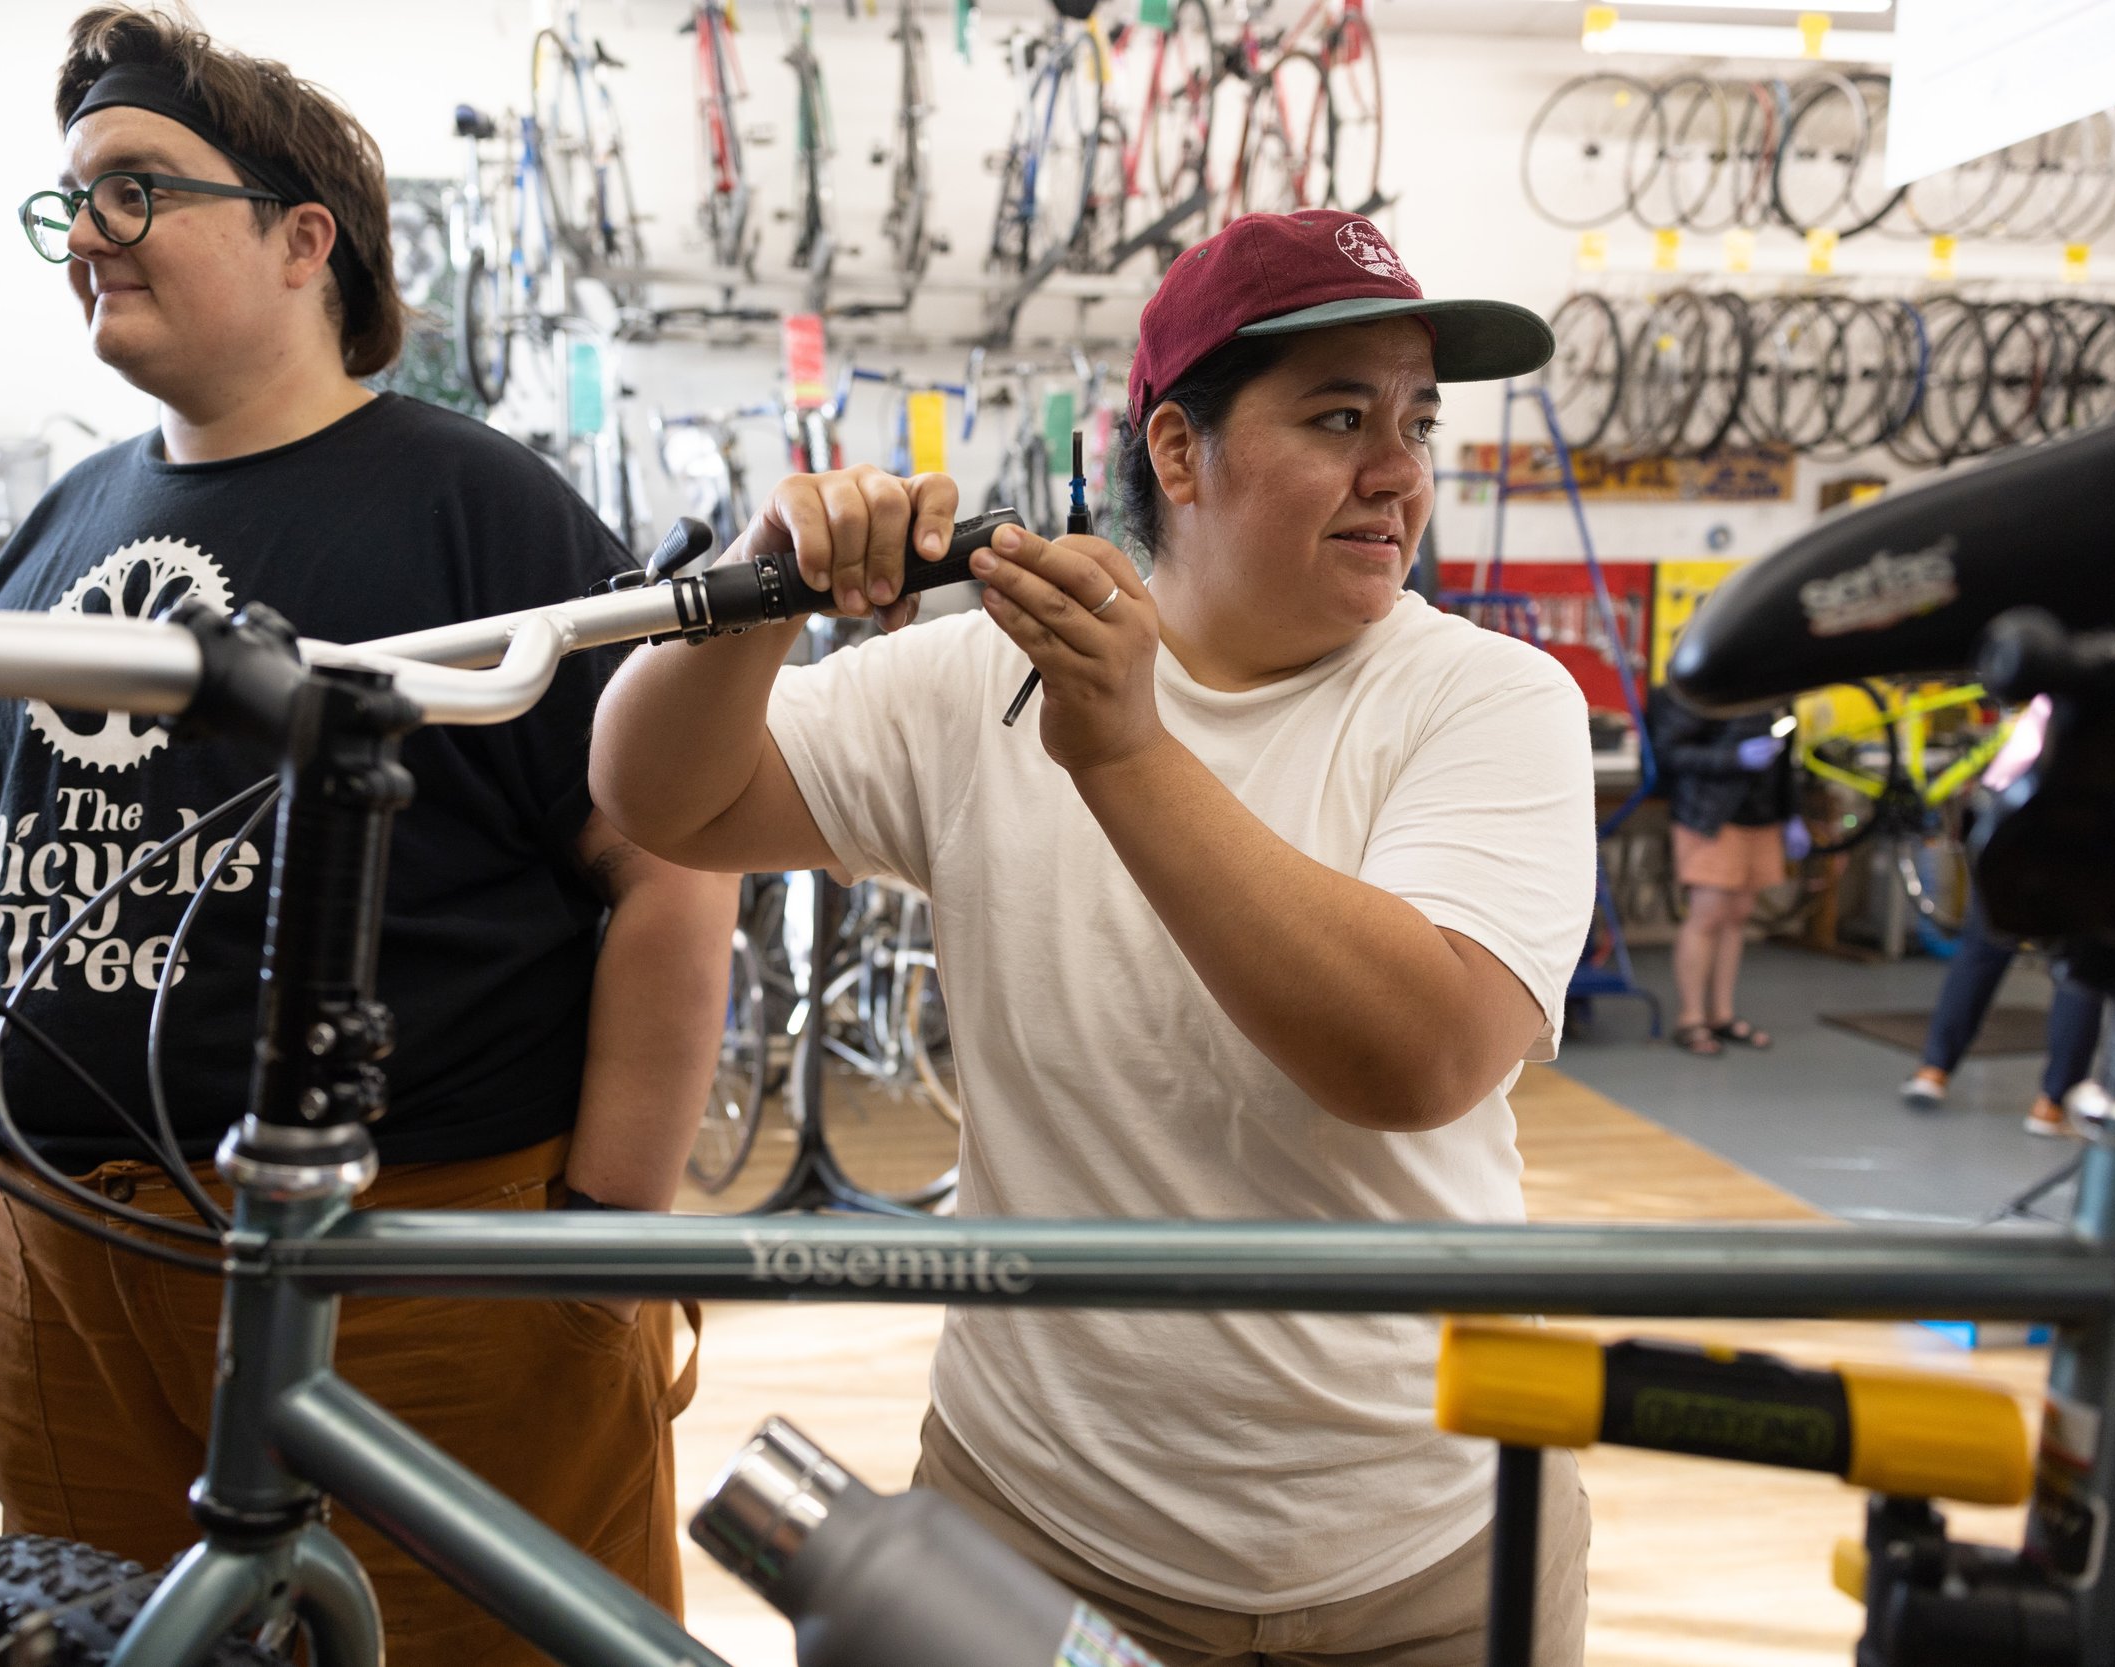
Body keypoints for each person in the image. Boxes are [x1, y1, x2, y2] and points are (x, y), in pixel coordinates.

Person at [594, 210, 1598, 1665]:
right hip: (1036, 1527)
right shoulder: (977, 682)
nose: (1400, 472)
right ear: (1179, 455)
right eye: (1338, 417)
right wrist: (765, 589)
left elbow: (1422, 1049)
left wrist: (1126, 751)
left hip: (1425, 1548)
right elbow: (657, 798)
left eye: (1417, 422)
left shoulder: (1489, 699)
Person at [0, 12, 737, 1663]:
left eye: (137, 189)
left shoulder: (474, 507)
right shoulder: (58, 526)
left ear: (308, 240)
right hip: (56, 1256)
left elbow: (671, 856)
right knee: (113, 1639)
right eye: (69, 199)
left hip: (414, 1273)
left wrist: (605, 1236)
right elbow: (13, 843)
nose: (85, 234)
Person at [1899, 702, 2101, 1136]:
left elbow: (2000, 777)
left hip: (2016, 836)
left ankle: (1934, 1071)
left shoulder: (2052, 696)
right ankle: (2052, 1103)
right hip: (2082, 845)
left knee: (1981, 951)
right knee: (2076, 973)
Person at [1647, 684, 1794, 1055]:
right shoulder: (1693, 688)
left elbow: (1787, 754)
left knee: (1737, 916)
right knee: (1707, 916)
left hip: (1761, 816)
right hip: (1710, 817)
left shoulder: (1774, 689)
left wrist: (1792, 814)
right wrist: (1735, 759)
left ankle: (1722, 1015)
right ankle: (1691, 1019)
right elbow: (1668, 753)